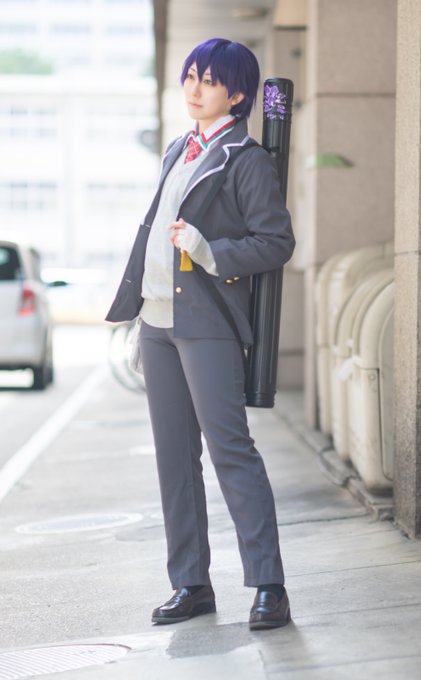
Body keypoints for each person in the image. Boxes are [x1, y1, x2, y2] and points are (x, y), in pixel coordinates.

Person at [106, 38, 295, 630]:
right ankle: (190, 583)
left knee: (231, 451)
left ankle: (269, 586)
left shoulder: (247, 159)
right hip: (159, 322)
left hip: (207, 323)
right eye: (190, 76)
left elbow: (276, 242)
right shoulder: (177, 149)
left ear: (237, 95)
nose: (194, 88)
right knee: (174, 458)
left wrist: (210, 250)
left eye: (209, 80)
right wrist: (138, 310)